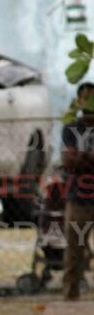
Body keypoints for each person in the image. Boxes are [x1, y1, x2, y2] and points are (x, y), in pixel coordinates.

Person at [61, 82, 94, 301]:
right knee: (74, 252)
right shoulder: (71, 128)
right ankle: (70, 300)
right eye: (86, 98)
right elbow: (69, 161)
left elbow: (76, 159)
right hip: (79, 198)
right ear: (79, 101)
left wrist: (82, 158)